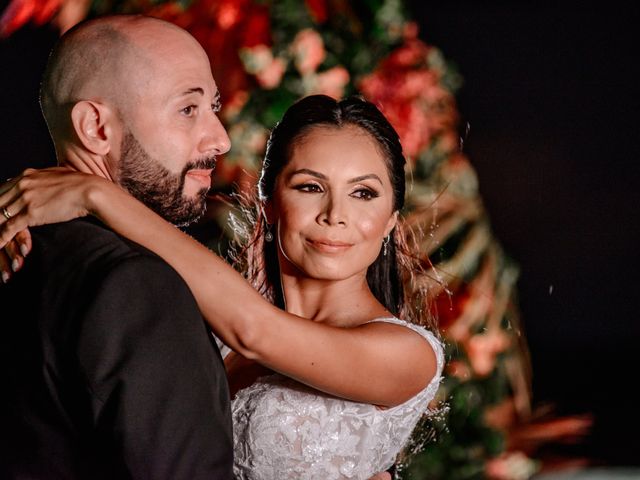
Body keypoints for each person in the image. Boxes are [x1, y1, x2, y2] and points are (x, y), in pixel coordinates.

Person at [0, 15, 234, 479]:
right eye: (188, 109)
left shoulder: (26, 251)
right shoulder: (134, 283)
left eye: (214, 107)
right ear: (97, 128)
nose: (220, 139)